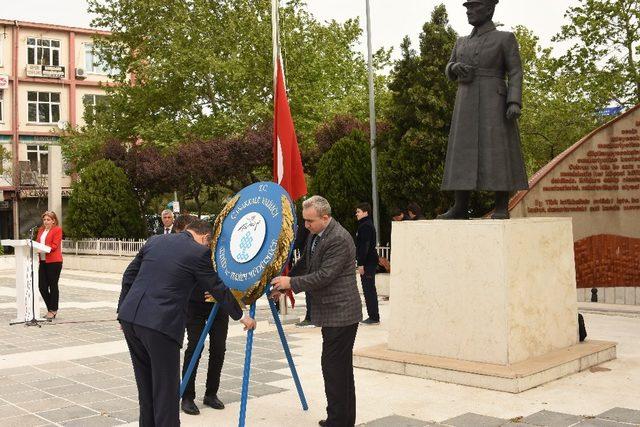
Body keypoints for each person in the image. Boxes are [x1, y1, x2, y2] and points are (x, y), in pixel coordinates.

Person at [118, 219, 256, 427]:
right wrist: (242, 316)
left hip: (131, 320)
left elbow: (129, 275)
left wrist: (123, 308)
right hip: (160, 324)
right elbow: (217, 287)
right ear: (205, 238)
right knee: (166, 391)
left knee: (145, 387)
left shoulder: (155, 241)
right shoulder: (198, 252)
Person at [271, 195, 362, 427]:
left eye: (310, 221)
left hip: (341, 313)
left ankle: (339, 421)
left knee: (334, 368)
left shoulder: (339, 238)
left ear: (325, 217)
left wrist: (289, 284)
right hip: (332, 313)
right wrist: (286, 281)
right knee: (337, 368)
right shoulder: (317, 234)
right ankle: (341, 418)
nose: (306, 226)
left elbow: (323, 276)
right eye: (304, 221)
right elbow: (306, 264)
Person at [438, 0, 528, 220]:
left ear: (489, 9)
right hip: (465, 99)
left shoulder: (505, 38)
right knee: (462, 151)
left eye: (474, 8)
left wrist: (514, 101)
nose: (469, 12)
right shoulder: (461, 42)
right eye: (467, 8)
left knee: (497, 150)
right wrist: (454, 68)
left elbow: (515, 71)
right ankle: (460, 206)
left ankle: (501, 205)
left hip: (494, 100)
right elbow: (449, 68)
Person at [174, 215, 230, 415]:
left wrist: (220, 290)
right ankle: (187, 396)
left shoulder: (222, 248)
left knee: (219, 348)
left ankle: (211, 393)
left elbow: (229, 273)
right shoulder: (188, 249)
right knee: (195, 346)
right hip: (195, 305)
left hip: (218, 305)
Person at [355, 203, 379, 325]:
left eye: (358, 211)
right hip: (368, 262)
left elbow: (365, 246)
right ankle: (373, 315)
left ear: (365, 212)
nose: (356, 214)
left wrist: (361, 263)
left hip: (368, 263)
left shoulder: (365, 226)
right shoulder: (364, 225)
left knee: (369, 289)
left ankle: (374, 317)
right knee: (368, 289)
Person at [36, 211, 63, 321]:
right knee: (42, 287)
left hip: (54, 262)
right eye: (44, 220)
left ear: (53, 221)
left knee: (53, 286)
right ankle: (51, 309)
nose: (46, 222)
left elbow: (54, 246)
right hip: (43, 261)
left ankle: (53, 310)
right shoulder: (41, 230)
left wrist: (41, 248)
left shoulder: (57, 230)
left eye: (48, 220)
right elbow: (37, 243)